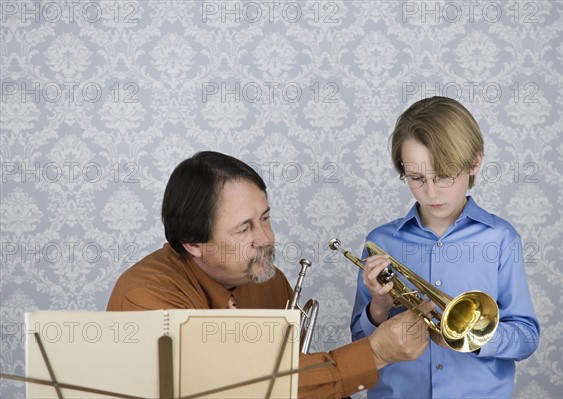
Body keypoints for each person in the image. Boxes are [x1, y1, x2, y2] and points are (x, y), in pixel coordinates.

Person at [107, 150, 433, 399]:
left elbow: (292, 381)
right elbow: (234, 386)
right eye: (244, 228)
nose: (267, 238)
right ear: (193, 244)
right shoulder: (143, 298)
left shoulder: (270, 281)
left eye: (265, 218)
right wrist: (374, 353)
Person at [351, 96, 540, 398]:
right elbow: (359, 345)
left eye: (444, 175)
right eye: (416, 177)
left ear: (475, 162)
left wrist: (473, 337)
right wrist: (380, 305)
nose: (431, 191)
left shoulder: (501, 239)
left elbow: (527, 338)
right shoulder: (381, 243)